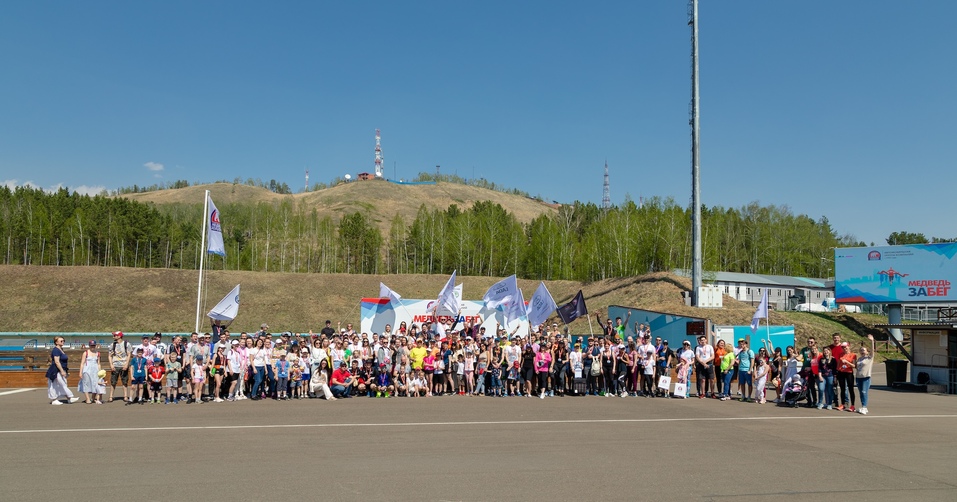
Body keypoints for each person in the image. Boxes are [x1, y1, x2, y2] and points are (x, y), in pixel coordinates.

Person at [46, 336, 78, 405]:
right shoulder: (56, 350)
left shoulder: (61, 349)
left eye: (63, 340)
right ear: (56, 342)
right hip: (55, 370)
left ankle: (69, 398)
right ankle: (55, 399)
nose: (63, 342)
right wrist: (62, 371)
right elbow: (57, 362)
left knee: (63, 383)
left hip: (61, 369)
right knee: (56, 384)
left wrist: (65, 371)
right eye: (61, 341)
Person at [108, 331, 132, 403]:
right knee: (113, 382)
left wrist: (126, 364)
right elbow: (109, 356)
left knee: (124, 381)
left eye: (115, 335)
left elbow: (129, 354)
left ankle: (125, 396)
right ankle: (111, 396)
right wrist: (111, 365)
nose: (113, 337)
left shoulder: (127, 344)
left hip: (123, 364)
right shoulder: (112, 345)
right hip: (115, 365)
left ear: (119, 336)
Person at [856, 334, 876, 415]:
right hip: (858, 377)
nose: (862, 351)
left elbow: (872, 350)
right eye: (861, 350)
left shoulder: (869, 358)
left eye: (863, 350)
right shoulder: (859, 359)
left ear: (867, 351)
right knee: (861, 392)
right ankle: (863, 406)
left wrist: (872, 341)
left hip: (866, 377)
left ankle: (864, 407)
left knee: (864, 392)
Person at [836, 342, 857, 412]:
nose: (844, 348)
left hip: (849, 373)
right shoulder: (841, 354)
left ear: (848, 346)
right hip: (841, 373)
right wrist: (837, 371)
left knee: (851, 389)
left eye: (845, 347)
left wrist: (846, 362)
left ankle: (852, 405)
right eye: (843, 347)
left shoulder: (853, 355)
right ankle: (842, 404)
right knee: (842, 389)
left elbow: (854, 366)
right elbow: (838, 364)